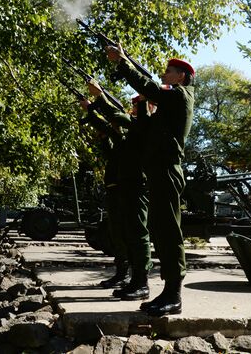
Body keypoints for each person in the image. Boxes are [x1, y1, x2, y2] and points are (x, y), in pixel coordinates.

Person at [106, 45, 195, 317]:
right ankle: (168, 292)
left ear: (181, 76)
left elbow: (155, 89)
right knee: (159, 229)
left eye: (169, 71)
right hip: (157, 170)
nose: (164, 74)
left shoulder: (181, 96)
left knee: (168, 231)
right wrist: (142, 104)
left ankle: (174, 295)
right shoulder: (166, 107)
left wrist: (123, 64)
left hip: (167, 170)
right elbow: (141, 129)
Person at [82, 87, 153, 300]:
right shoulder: (131, 133)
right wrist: (100, 128)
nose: (132, 110)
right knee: (121, 233)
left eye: (137, 106)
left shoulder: (146, 126)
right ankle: (128, 276)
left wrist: (95, 104)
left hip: (137, 186)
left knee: (138, 235)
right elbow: (114, 150)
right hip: (122, 186)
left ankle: (141, 281)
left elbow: (115, 119)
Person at [79, 100, 131, 289]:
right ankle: (121, 272)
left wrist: (91, 111)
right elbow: (112, 154)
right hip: (114, 187)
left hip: (125, 188)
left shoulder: (131, 136)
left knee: (126, 233)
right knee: (115, 231)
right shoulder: (120, 140)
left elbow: (113, 133)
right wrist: (103, 139)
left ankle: (129, 274)